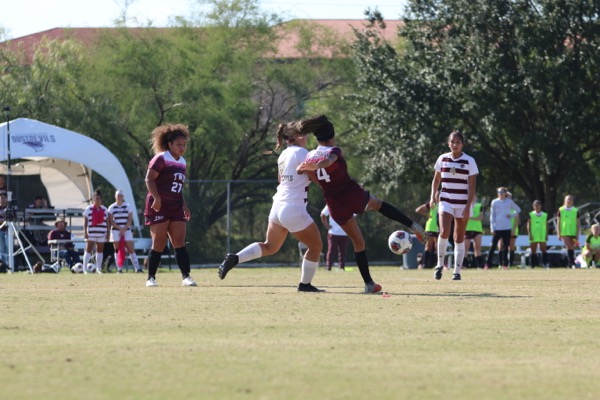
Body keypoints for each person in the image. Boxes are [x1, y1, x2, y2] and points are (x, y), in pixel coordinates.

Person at [295, 114, 428, 294]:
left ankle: (369, 284)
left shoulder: (309, 156)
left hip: (335, 204)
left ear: (317, 137)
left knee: (359, 243)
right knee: (380, 205)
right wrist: (320, 166)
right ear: (332, 135)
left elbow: (312, 177)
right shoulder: (334, 150)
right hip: (352, 194)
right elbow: (328, 161)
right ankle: (412, 225)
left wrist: (308, 168)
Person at [218, 122, 324, 292]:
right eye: (302, 134)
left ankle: (235, 258)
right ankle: (305, 285)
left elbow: (281, 180)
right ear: (293, 138)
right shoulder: (302, 152)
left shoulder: (283, 155)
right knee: (316, 246)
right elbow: (315, 175)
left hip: (277, 206)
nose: (306, 137)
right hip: (293, 206)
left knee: (270, 246)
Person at [144, 124, 196, 287]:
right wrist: (157, 198)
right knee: (158, 243)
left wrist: (185, 206)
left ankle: (186, 277)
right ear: (170, 144)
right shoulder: (161, 158)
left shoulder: (182, 162)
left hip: (176, 206)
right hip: (158, 206)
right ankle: (151, 278)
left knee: (179, 242)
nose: (182, 148)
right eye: (178, 144)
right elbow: (149, 179)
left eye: (184, 144)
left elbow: (178, 187)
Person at [430, 131, 479, 281]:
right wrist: (433, 196)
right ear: (448, 143)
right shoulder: (442, 159)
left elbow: (472, 187)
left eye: (458, 142)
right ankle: (439, 266)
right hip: (446, 200)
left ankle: (457, 271)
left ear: (462, 144)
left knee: (459, 237)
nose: (455, 145)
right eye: (452, 142)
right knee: (444, 231)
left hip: (463, 203)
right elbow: (436, 180)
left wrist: (467, 207)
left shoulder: (469, 161)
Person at [486, 187, 521, 270]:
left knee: (506, 246)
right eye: (499, 192)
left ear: (505, 193)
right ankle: (488, 264)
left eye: (502, 192)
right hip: (497, 228)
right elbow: (492, 215)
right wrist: (492, 227)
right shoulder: (494, 202)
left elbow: (518, 209)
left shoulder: (509, 202)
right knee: (493, 246)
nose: (500, 194)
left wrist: (511, 215)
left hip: (507, 227)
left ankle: (505, 265)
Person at [108, 189, 142, 273]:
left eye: (120, 196)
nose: (119, 197)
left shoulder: (128, 206)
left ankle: (137, 268)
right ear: (115, 196)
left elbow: (130, 219)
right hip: (116, 230)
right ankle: (119, 268)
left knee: (130, 248)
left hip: (126, 230)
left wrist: (124, 229)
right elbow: (111, 220)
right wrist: (120, 229)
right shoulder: (112, 207)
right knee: (117, 249)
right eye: (117, 196)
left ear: (123, 197)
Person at [83, 189, 109, 274]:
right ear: (93, 199)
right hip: (91, 232)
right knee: (88, 249)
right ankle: (84, 268)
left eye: (99, 198)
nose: (97, 200)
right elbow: (85, 222)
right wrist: (85, 232)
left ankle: (98, 268)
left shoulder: (105, 210)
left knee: (100, 250)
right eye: (96, 198)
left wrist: (108, 233)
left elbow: (108, 223)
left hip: (101, 233)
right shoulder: (88, 209)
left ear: (101, 199)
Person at [320, 205, 350, 271]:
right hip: (333, 232)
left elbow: (354, 215)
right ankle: (328, 267)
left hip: (344, 233)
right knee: (331, 251)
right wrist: (326, 225)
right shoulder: (331, 203)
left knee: (343, 251)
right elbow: (323, 214)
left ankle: (342, 267)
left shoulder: (348, 202)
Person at [415, 192, 440, 269]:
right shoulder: (431, 204)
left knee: (438, 246)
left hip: (439, 228)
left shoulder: (443, 205)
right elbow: (418, 210)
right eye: (437, 195)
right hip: (431, 227)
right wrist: (427, 215)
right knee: (428, 246)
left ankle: (438, 264)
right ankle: (424, 265)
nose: (438, 197)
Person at [556, 194, 580, 268]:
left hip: (573, 232)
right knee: (569, 245)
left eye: (570, 199)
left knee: (572, 247)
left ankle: (570, 263)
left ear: (572, 201)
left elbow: (578, 223)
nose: (569, 201)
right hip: (564, 232)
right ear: (565, 200)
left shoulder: (576, 210)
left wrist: (577, 234)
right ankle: (572, 262)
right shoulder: (561, 210)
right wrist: (558, 233)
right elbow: (558, 222)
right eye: (567, 199)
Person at [464, 194, 485, 269]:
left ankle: (480, 265)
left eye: (474, 196)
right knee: (465, 248)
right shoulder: (466, 206)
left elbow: (480, 217)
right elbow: (463, 217)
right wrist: (472, 218)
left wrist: (470, 218)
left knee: (477, 247)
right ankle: (464, 265)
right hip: (467, 229)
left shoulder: (479, 206)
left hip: (477, 229)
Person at [527, 200, 549, 269]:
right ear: (533, 206)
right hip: (534, 234)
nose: (537, 206)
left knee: (543, 249)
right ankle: (533, 265)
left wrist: (546, 234)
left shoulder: (545, 215)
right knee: (533, 250)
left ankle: (545, 264)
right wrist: (530, 234)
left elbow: (546, 225)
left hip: (542, 234)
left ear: (540, 206)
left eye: (538, 205)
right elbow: (529, 225)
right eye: (535, 205)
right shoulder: (531, 214)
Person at [0, 193, 8, 263]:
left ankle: (10, 264)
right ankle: (3, 264)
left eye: (4, 198)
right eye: (1, 198)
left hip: (9, 230)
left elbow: (13, 218)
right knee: (2, 248)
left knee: (8, 247)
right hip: (0, 230)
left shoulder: (9, 208)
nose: (3, 199)